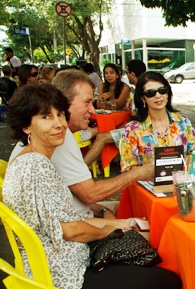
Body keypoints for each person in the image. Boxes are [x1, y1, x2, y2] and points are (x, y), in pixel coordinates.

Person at [3, 83, 182, 289]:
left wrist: (117, 226)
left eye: (60, 115)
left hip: (57, 266)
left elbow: (66, 222)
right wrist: (108, 230)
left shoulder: (32, 160)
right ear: (26, 126)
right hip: (66, 278)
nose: (59, 124)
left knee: (141, 249)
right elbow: (72, 231)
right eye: (46, 117)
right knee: (170, 280)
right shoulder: (36, 166)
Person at [9, 69, 153, 223]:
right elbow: (87, 198)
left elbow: (76, 197)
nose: (92, 110)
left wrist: (103, 210)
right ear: (63, 102)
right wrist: (138, 174)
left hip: (77, 216)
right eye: (87, 102)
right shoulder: (55, 139)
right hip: (75, 227)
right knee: (151, 227)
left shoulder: (45, 137)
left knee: (138, 209)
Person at [119, 71, 195, 172]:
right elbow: (128, 169)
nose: (158, 95)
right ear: (143, 98)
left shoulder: (183, 122)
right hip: (147, 185)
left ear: (167, 93)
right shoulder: (132, 129)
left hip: (182, 183)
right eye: (150, 93)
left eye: (162, 90)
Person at [80, 60, 148, 167]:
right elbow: (99, 105)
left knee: (101, 137)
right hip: (136, 127)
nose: (108, 75)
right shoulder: (140, 89)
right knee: (104, 130)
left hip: (140, 130)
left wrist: (125, 125)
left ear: (131, 74)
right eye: (106, 73)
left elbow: (135, 116)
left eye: (111, 72)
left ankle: (81, 168)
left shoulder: (135, 90)